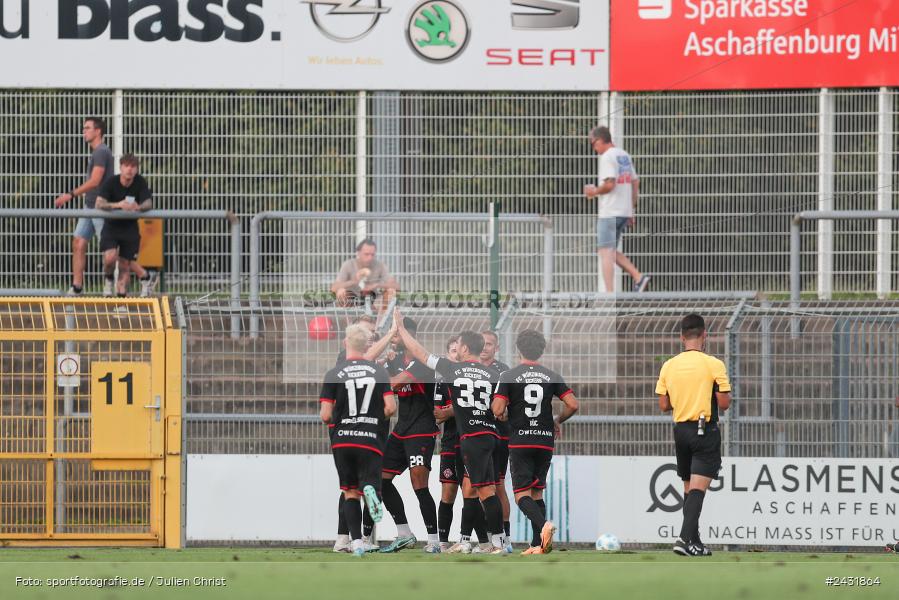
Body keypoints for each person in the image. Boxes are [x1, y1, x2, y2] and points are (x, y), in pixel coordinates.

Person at [395, 316, 507, 554]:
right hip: (490, 435)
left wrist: (402, 330)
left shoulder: (452, 368)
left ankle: (495, 543)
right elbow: (500, 409)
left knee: (483, 491)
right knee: (487, 489)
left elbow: (420, 352)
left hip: (470, 438)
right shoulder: (493, 375)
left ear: (464, 348)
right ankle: (497, 542)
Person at [492, 329, 579, 555]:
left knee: (521, 495)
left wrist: (503, 413)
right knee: (537, 492)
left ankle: (544, 527)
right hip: (544, 440)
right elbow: (573, 404)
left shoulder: (509, 375)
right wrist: (557, 420)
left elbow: (498, 409)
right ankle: (536, 545)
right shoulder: (552, 375)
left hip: (521, 440)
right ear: (541, 350)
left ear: (518, 349)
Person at [655, 314, 731, 557]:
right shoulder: (714, 364)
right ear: (704, 335)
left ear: (681, 337)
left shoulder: (668, 365)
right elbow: (724, 403)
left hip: (680, 431)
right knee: (698, 489)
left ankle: (694, 543)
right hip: (704, 429)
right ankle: (683, 539)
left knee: (689, 488)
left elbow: (664, 404)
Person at [54, 118, 157, 297]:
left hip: (101, 209)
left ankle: (144, 275)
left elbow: (95, 181)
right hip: (90, 206)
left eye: (87, 128)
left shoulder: (101, 152)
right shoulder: (97, 152)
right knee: (78, 243)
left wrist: (69, 195)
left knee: (113, 253)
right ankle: (77, 287)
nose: (83, 131)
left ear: (98, 131)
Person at [319, 324, 397, 558]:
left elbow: (325, 415)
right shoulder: (379, 372)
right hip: (370, 438)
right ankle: (370, 490)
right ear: (366, 346)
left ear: (345, 344)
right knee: (370, 483)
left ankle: (356, 544)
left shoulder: (333, 374)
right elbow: (391, 408)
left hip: (342, 439)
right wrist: (372, 417)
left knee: (348, 492)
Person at [378, 317, 441, 554]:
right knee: (380, 479)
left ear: (408, 336)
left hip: (422, 430)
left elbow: (393, 384)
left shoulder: (422, 362)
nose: (393, 339)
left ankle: (434, 541)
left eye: (396, 335)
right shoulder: (395, 360)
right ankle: (404, 533)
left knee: (419, 485)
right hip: (402, 429)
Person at [584, 125, 649, 294]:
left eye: (593, 144)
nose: (594, 148)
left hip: (610, 212)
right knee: (609, 250)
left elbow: (609, 185)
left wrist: (594, 191)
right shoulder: (623, 155)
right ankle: (638, 276)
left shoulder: (607, 157)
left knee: (605, 252)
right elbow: (635, 182)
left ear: (599, 140)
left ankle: (609, 294)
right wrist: (632, 209)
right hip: (624, 210)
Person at [95, 154, 153, 298]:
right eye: (126, 166)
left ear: (137, 169)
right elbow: (99, 203)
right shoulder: (111, 182)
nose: (129, 170)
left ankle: (121, 301)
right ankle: (108, 280)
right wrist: (118, 205)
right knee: (109, 258)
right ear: (120, 167)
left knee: (124, 265)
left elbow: (148, 203)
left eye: (133, 167)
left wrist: (137, 207)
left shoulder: (140, 182)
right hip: (111, 227)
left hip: (130, 229)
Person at [480, 330, 513, 552]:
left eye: (489, 344)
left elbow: (506, 409)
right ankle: (488, 538)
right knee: (479, 488)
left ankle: (505, 538)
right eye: (482, 343)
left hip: (498, 436)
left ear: (497, 348)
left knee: (497, 486)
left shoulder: (503, 372)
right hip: (476, 436)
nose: (485, 347)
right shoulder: (469, 368)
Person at [435, 335, 461, 551]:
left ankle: (469, 539)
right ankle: (442, 541)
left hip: (473, 442)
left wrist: (451, 411)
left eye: (458, 350)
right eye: (452, 351)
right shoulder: (442, 383)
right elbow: (437, 415)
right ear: (447, 355)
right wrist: (459, 410)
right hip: (451, 442)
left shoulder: (474, 378)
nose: (456, 354)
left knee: (475, 492)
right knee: (448, 492)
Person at [331, 239, 398, 310]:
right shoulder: (348, 265)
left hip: (373, 300)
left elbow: (396, 286)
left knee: (391, 291)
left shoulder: (379, 265)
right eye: (366, 254)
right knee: (341, 291)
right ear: (358, 253)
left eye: (372, 255)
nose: (370, 258)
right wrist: (354, 281)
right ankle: (348, 316)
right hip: (352, 300)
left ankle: (378, 319)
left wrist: (377, 285)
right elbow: (334, 288)